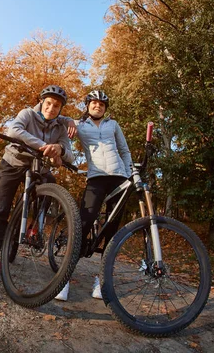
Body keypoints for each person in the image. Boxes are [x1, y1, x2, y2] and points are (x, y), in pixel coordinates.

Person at [0, 85, 76, 280]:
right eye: (48, 103)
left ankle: (34, 224)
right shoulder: (27, 113)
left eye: (56, 105)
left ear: (60, 109)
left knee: (51, 181)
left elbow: (71, 155)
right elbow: (14, 130)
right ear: (42, 102)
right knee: (2, 209)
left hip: (38, 168)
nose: (51, 108)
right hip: (13, 162)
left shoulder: (60, 128)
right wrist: (44, 147)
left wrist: (59, 149)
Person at [55, 90, 132, 301]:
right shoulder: (80, 126)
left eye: (102, 104)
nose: (98, 106)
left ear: (106, 108)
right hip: (96, 178)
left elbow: (124, 151)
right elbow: (57, 119)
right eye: (94, 103)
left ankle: (102, 279)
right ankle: (64, 279)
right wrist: (70, 119)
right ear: (88, 106)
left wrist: (129, 175)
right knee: (83, 223)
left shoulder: (113, 125)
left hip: (119, 178)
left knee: (112, 229)